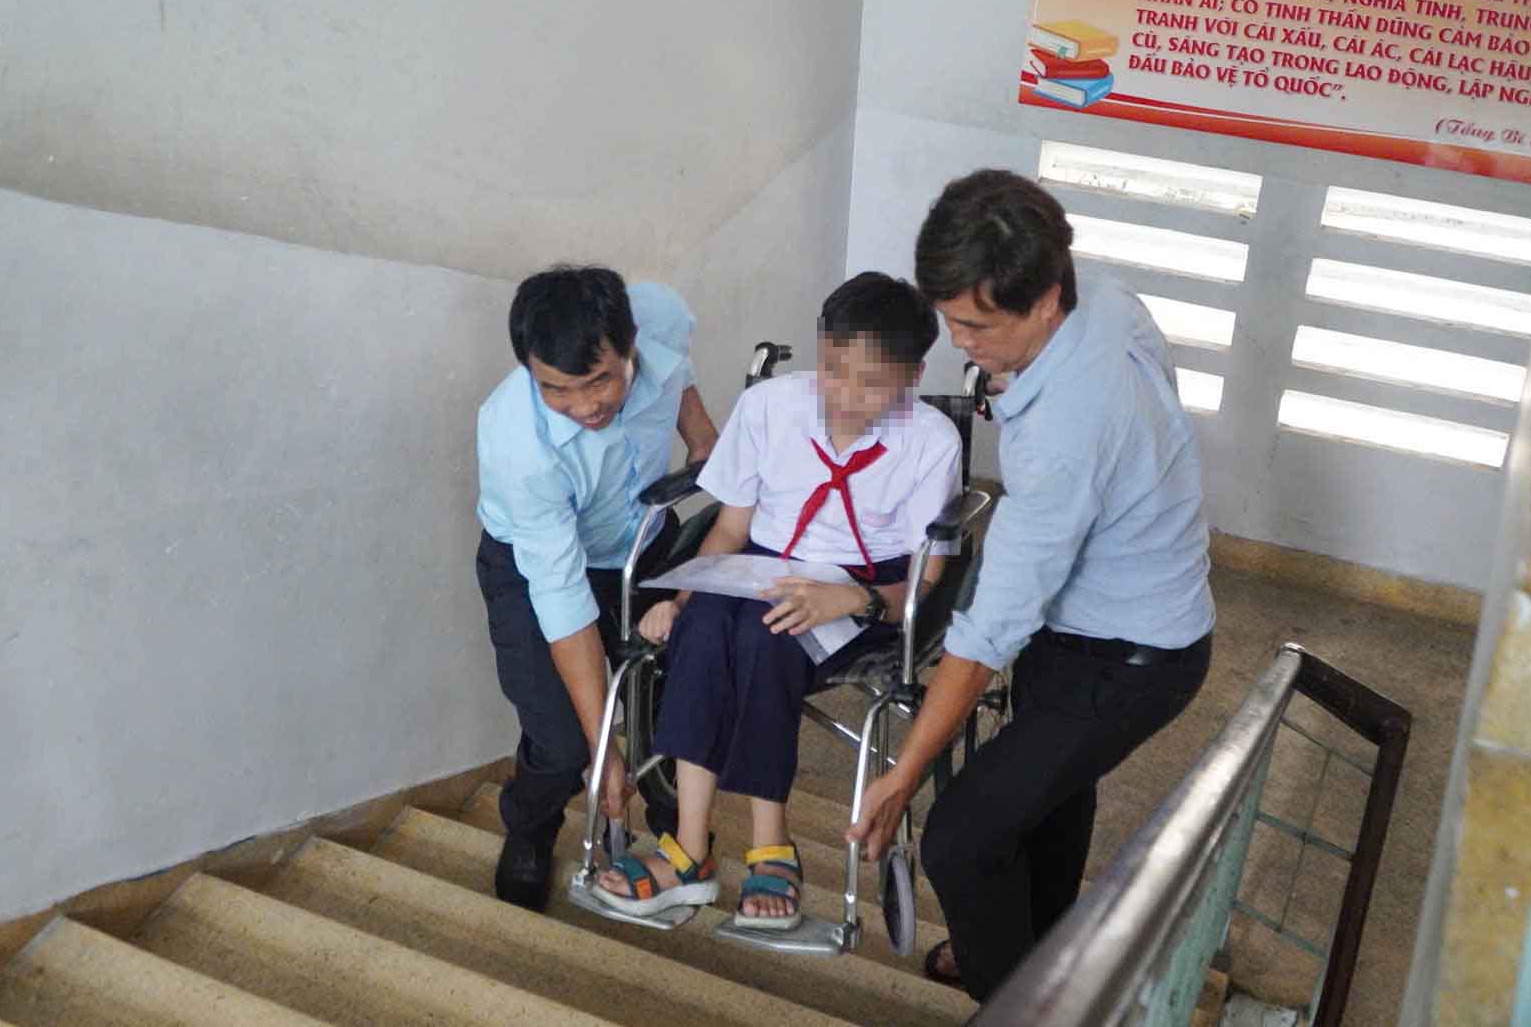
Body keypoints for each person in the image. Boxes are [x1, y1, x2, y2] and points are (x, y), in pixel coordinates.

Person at [846, 170, 1216, 1000]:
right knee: (1048, 801)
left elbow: (983, 637)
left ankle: (1017, 1004)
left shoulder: (1066, 434)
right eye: (948, 319)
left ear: (1046, 299)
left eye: (976, 325)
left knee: (959, 838)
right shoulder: (1106, 298)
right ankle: (1027, 962)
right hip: (1083, 617)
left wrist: (903, 773)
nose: (958, 344)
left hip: (1135, 654)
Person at [591, 272, 962, 928]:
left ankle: (772, 842)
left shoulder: (931, 441)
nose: (846, 396)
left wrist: (852, 598)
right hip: (754, 568)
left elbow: (924, 581)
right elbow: (731, 529)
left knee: (767, 634)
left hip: (862, 587)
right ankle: (690, 848)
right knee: (701, 628)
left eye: (872, 382)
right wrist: (678, 597)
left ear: (914, 374)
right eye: (835, 370)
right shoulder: (771, 408)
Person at [475, 265, 719, 912]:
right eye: (557, 389)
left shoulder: (659, 312)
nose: (585, 406)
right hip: (537, 569)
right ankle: (529, 830)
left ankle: (678, 839)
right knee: (561, 742)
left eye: (600, 381)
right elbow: (562, 601)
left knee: (675, 703)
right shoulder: (516, 440)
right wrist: (600, 749)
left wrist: (698, 432)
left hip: (643, 546)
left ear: (630, 344)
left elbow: (679, 370)